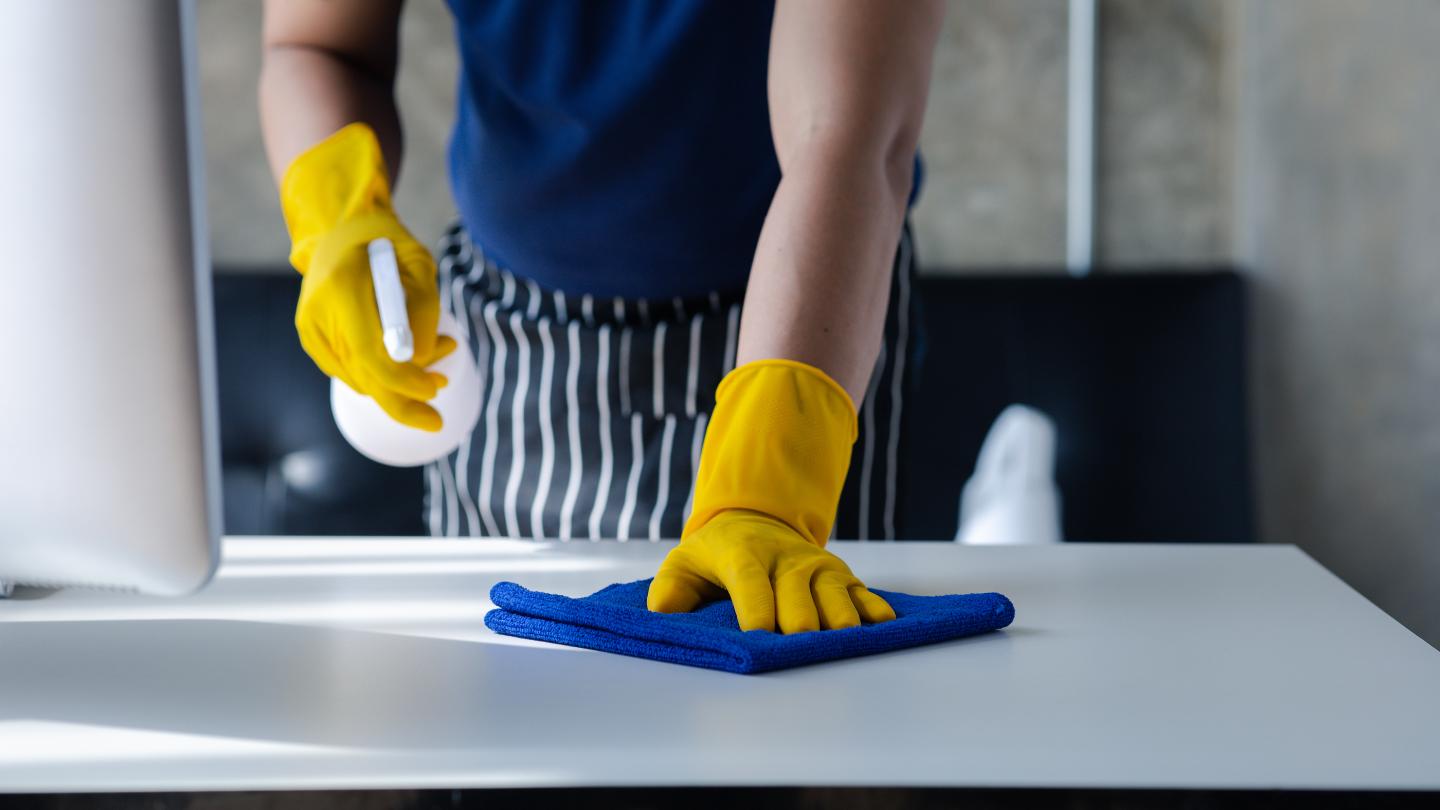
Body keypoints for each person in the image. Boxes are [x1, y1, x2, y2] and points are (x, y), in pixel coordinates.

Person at [260, 0, 944, 635]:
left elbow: (849, 135)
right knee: (516, 709)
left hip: (804, 333)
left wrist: (769, 489)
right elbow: (319, 43)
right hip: (511, 333)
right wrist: (338, 216)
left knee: (801, 705)